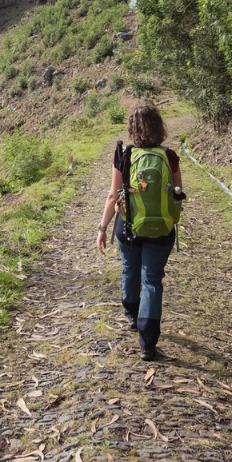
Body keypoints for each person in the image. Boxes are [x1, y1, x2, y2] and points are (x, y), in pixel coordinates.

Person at [95, 105, 182, 361]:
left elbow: (113, 195)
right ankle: (148, 344)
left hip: (128, 227)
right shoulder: (170, 156)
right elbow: (178, 193)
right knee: (152, 282)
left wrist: (102, 228)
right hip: (161, 230)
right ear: (159, 127)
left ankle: (131, 313)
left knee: (129, 269)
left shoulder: (124, 154)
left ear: (133, 128)